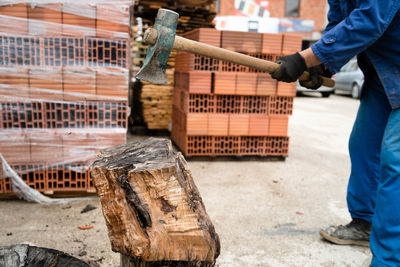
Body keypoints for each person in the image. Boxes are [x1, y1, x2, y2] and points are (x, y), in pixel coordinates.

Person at [270, 1, 400, 266]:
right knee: (363, 146)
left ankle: (389, 259)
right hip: (382, 71)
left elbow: (370, 19)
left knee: (395, 159)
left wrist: (305, 57)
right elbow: (339, 21)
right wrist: (323, 65)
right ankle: (366, 222)